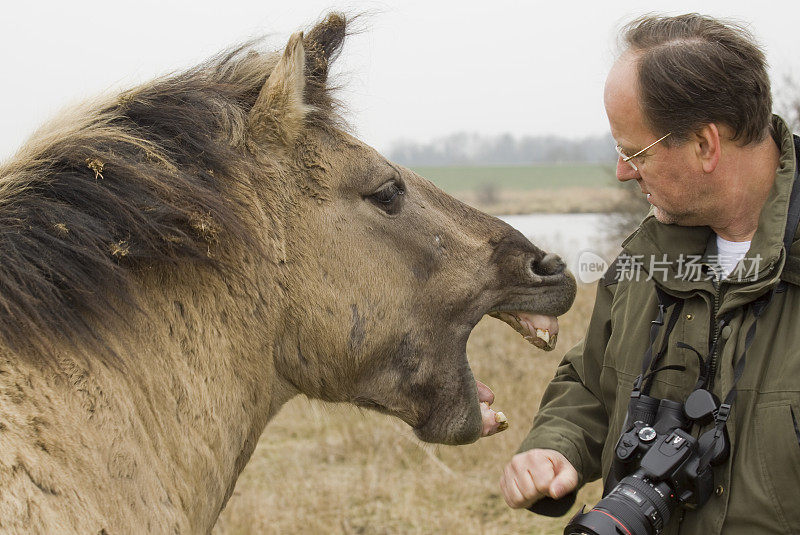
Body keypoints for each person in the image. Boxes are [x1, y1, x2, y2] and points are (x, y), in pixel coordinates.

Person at [500, 13, 800, 535]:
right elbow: (594, 381)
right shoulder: (643, 260)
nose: (622, 172)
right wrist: (555, 445)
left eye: (633, 151)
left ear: (706, 145)